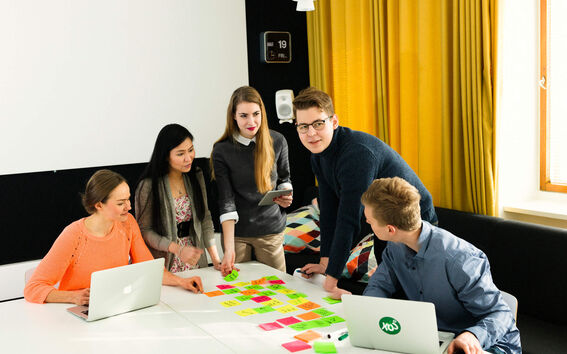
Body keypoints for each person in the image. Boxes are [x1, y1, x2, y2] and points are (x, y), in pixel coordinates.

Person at [293, 87, 437, 299]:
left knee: (413, 292)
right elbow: (329, 211)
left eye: (318, 123)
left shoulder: (356, 154)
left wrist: (331, 280)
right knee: (391, 289)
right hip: (382, 224)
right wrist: (325, 263)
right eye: (303, 126)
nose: (311, 133)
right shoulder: (318, 155)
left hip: (412, 222)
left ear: (334, 122)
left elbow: (349, 219)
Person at [361, 177, 521, 354]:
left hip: (486, 345)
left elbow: (501, 314)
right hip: (436, 339)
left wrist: (472, 335)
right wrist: (373, 314)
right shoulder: (395, 246)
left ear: (390, 229)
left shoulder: (460, 259)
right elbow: (379, 285)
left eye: (370, 221)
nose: (368, 223)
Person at [24, 170, 203, 305]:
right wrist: (73, 297)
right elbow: (33, 288)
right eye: (120, 203)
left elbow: (148, 267)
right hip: (76, 314)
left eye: (128, 199)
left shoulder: (127, 223)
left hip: (115, 304)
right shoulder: (73, 236)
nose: (129, 207)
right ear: (99, 204)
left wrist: (182, 282)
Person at [211, 86, 292, 276]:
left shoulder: (278, 140)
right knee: (238, 290)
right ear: (233, 116)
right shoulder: (222, 150)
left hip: (271, 231)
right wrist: (229, 248)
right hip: (237, 234)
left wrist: (286, 194)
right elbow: (226, 201)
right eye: (244, 115)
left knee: (278, 291)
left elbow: (284, 177)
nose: (251, 121)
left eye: (256, 114)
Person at [135, 124, 221, 272]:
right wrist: (177, 249)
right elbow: (145, 231)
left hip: (194, 257)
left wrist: (216, 260)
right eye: (180, 154)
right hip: (166, 261)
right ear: (166, 156)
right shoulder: (148, 186)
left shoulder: (196, 175)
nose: (188, 158)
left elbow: (205, 219)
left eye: (190, 150)